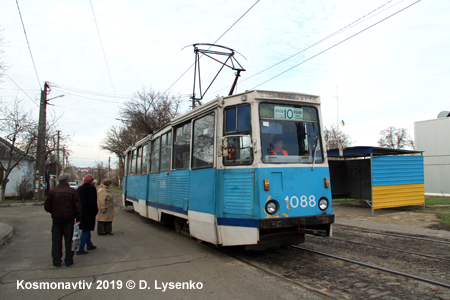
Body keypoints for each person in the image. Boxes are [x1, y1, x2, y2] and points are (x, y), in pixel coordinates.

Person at [44, 173, 81, 267]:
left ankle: (56, 260)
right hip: (69, 220)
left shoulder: (52, 191)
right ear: (67, 180)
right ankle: (69, 260)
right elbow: (77, 207)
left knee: (56, 240)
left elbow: (47, 206)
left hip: (56, 220)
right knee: (69, 240)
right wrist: (78, 217)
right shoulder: (72, 192)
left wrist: (54, 212)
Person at [76, 174, 98, 255]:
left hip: (80, 212)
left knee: (86, 229)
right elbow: (93, 202)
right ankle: (80, 248)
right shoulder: (92, 189)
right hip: (88, 212)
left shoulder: (79, 189)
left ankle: (89, 244)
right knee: (86, 230)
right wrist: (95, 211)